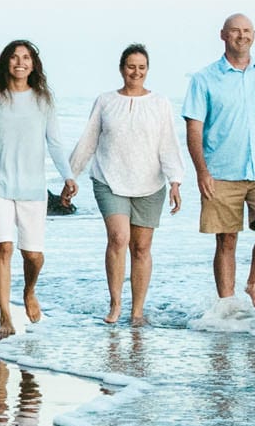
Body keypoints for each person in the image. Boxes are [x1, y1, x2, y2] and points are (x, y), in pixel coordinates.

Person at [183, 13, 255, 310]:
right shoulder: (204, 79)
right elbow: (193, 129)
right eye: (235, 31)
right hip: (221, 172)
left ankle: (253, 282)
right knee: (227, 241)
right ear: (223, 35)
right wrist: (202, 172)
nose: (241, 36)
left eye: (246, 31)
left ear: (254, 35)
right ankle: (227, 307)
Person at [68, 44, 184, 325]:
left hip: (150, 183)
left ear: (147, 70)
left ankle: (137, 311)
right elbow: (89, 140)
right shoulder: (106, 101)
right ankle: (116, 303)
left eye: (141, 67)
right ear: (122, 68)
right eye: (131, 66)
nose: (136, 72)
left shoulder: (160, 103)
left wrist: (175, 181)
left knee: (142, 248)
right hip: (109, 178)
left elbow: (168, 144)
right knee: (119, 238)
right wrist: (71, 175)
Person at [0, 40, 76, 338]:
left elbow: (54, 142)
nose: (20, 62)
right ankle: (5, 314)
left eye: (26, 57)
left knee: (33, 256)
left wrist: (67, 176)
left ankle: (29, 290)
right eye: (15, 57)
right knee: (3, 247)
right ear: (6, 62)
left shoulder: (43, 101)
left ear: (33, 64)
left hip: (33, 188)